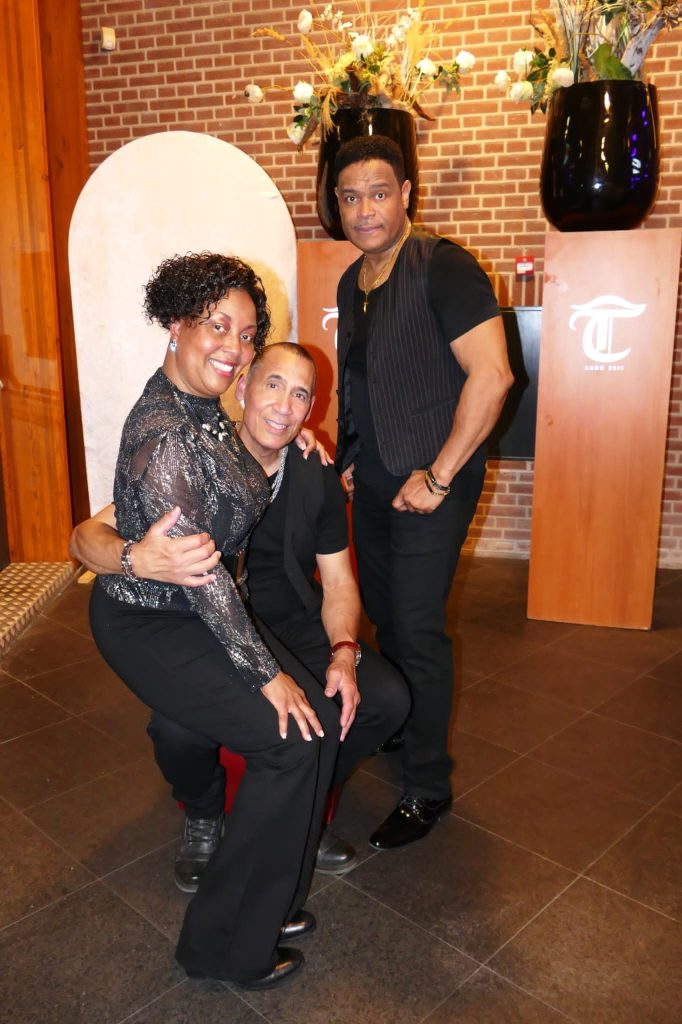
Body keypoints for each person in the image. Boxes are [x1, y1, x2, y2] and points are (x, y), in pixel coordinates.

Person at [85, 252, 347, 989]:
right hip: (154, 622)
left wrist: (292, 435)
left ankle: (269, 906)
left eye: (246, 332)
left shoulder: (205, 409)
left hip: (199, 611)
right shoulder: (167, 430)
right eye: (217, 326)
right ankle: (225, 948)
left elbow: (243, 467)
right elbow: (201, 576)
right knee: (290, 739)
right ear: (176, 325)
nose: (233, 346)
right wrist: (267, 677)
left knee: (312, 728)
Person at [72, 341, 408, 895]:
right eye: (273, 385)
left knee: (387, 699)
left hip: (291, 621)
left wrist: (345, 652)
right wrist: (135, 557)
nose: (283, 405)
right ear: (244, 387)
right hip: (206, 623)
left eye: (300, 395)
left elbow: (339, 584)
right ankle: (204, 814)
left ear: (311, 409)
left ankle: (297, 808)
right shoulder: (196, 455)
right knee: (177, 727)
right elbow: (85, 536)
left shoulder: (313, 471)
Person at [333, 135, 514, 851]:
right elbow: (361, 378)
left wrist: (438, 476)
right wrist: (352, 455)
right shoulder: (352, 281)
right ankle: (403, 720)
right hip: (377, 480)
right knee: (382, 617)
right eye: (351, 197)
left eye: (379, 193)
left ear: (406, 194)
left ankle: (428, 786)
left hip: (435, 481)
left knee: (416, 629)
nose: (365, 210)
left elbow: (492, 377)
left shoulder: (443, 265)